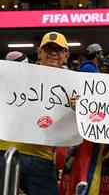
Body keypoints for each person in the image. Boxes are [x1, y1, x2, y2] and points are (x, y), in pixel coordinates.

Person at [0, 31, 70, 195]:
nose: (53, 53)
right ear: (39, 52)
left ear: (66, 55)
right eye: (48, 49)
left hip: (42, 157)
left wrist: (76, 107)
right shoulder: (15, 73)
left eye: (58, 50)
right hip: (5, 152)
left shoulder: (73, 85)